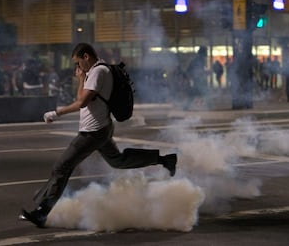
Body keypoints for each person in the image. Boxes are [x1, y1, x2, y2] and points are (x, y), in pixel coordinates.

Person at [19, 43, 177, 228]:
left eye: (78, 62)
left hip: (93, 132)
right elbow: (82, 98)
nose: (77, 67)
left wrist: (56, 113)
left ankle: (42, 212)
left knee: (62, 167)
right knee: (118, 161)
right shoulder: (94, 72)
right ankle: (164, 159)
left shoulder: (98, 72)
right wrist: (81, 78)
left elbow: (82, 102)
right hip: (100, 129)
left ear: (86, 56)